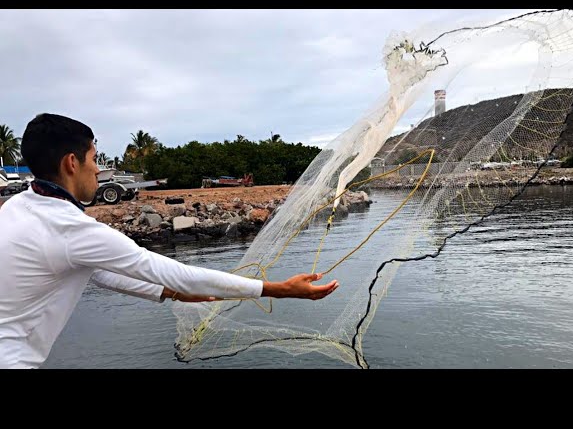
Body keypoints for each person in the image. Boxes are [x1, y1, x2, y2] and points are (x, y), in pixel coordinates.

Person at [0, 113, 339, 369]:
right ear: (71, 163)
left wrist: (168, 293)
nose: (98, 170)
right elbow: (169, 270)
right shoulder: (69, 227)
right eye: (93, 160)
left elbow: (93, 271)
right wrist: (279, 289)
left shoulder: (18, 206)